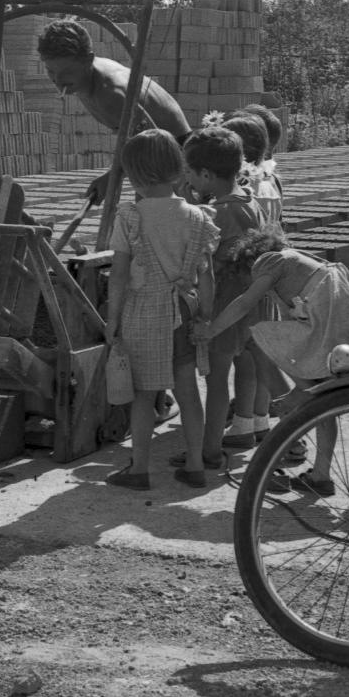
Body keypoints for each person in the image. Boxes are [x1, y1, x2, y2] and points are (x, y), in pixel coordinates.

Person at [200, 228, 349, 496]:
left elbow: (244, 304)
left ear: (250, 260)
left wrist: (210, 331)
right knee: (322, 401)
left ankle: (298, 398)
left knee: (261, 337)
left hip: (328, 315)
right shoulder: (298, 262)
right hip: (341, 316)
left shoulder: (269, 261)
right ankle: (321, 474)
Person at [103, 130, 218, 490]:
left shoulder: (130, 217)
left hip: (142, 312)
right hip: (184, 310)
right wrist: (205, 318)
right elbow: (207, 276)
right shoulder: (198, 217)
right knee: (187, 391)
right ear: (179, 169)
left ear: (134, 177)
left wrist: (112, 321)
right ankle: (196, 465)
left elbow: (119, 275)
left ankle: (139, 468)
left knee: (143, 394)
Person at [177, 124, 263, 468]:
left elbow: (204, 262)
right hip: (253, 301)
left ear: (207, 174)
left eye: (190, 173)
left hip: (224, 304)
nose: (187, 179)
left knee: (215, 381)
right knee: (248, 366)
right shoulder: (249, 199)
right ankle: (246, 427)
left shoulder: (215, 214)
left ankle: (210, 449)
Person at [36, 20, 191, 204]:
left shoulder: (111, 94)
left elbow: (152, 148)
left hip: (173, 157)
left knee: (158, 218)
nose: (58, 80)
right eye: (50, 71)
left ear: (88, 60)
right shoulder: (83, 76)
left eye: (67, 71)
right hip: (156, 154)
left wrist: (112, 177)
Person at [218, 113, 285, 448]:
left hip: (246, 281)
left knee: (244, 356)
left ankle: (243, 422)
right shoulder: (272, 180)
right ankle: (260, 418)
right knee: (261, 354)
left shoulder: (245, 189)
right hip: (269, 275)